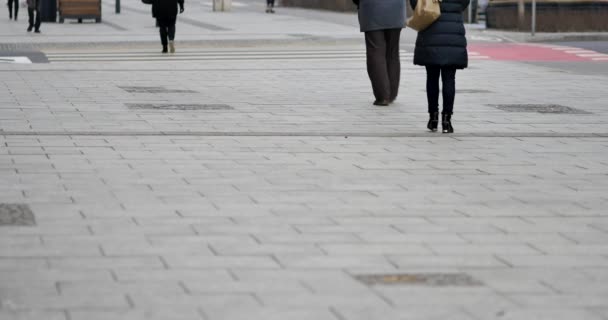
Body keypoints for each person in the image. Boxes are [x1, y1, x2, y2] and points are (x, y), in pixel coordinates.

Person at [410, 0, 469, 133]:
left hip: (430, 30)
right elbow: (464, 3)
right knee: (449, 79)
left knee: (432, 78)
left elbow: (415, 3)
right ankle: (447, 121)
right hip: (453, 32)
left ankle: (433, 118)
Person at [353, 0, 405, 106]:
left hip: (372, 8)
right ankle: (391, 94)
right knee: (392, 53)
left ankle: (383, 96)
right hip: (396, 8)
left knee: (375, 51)